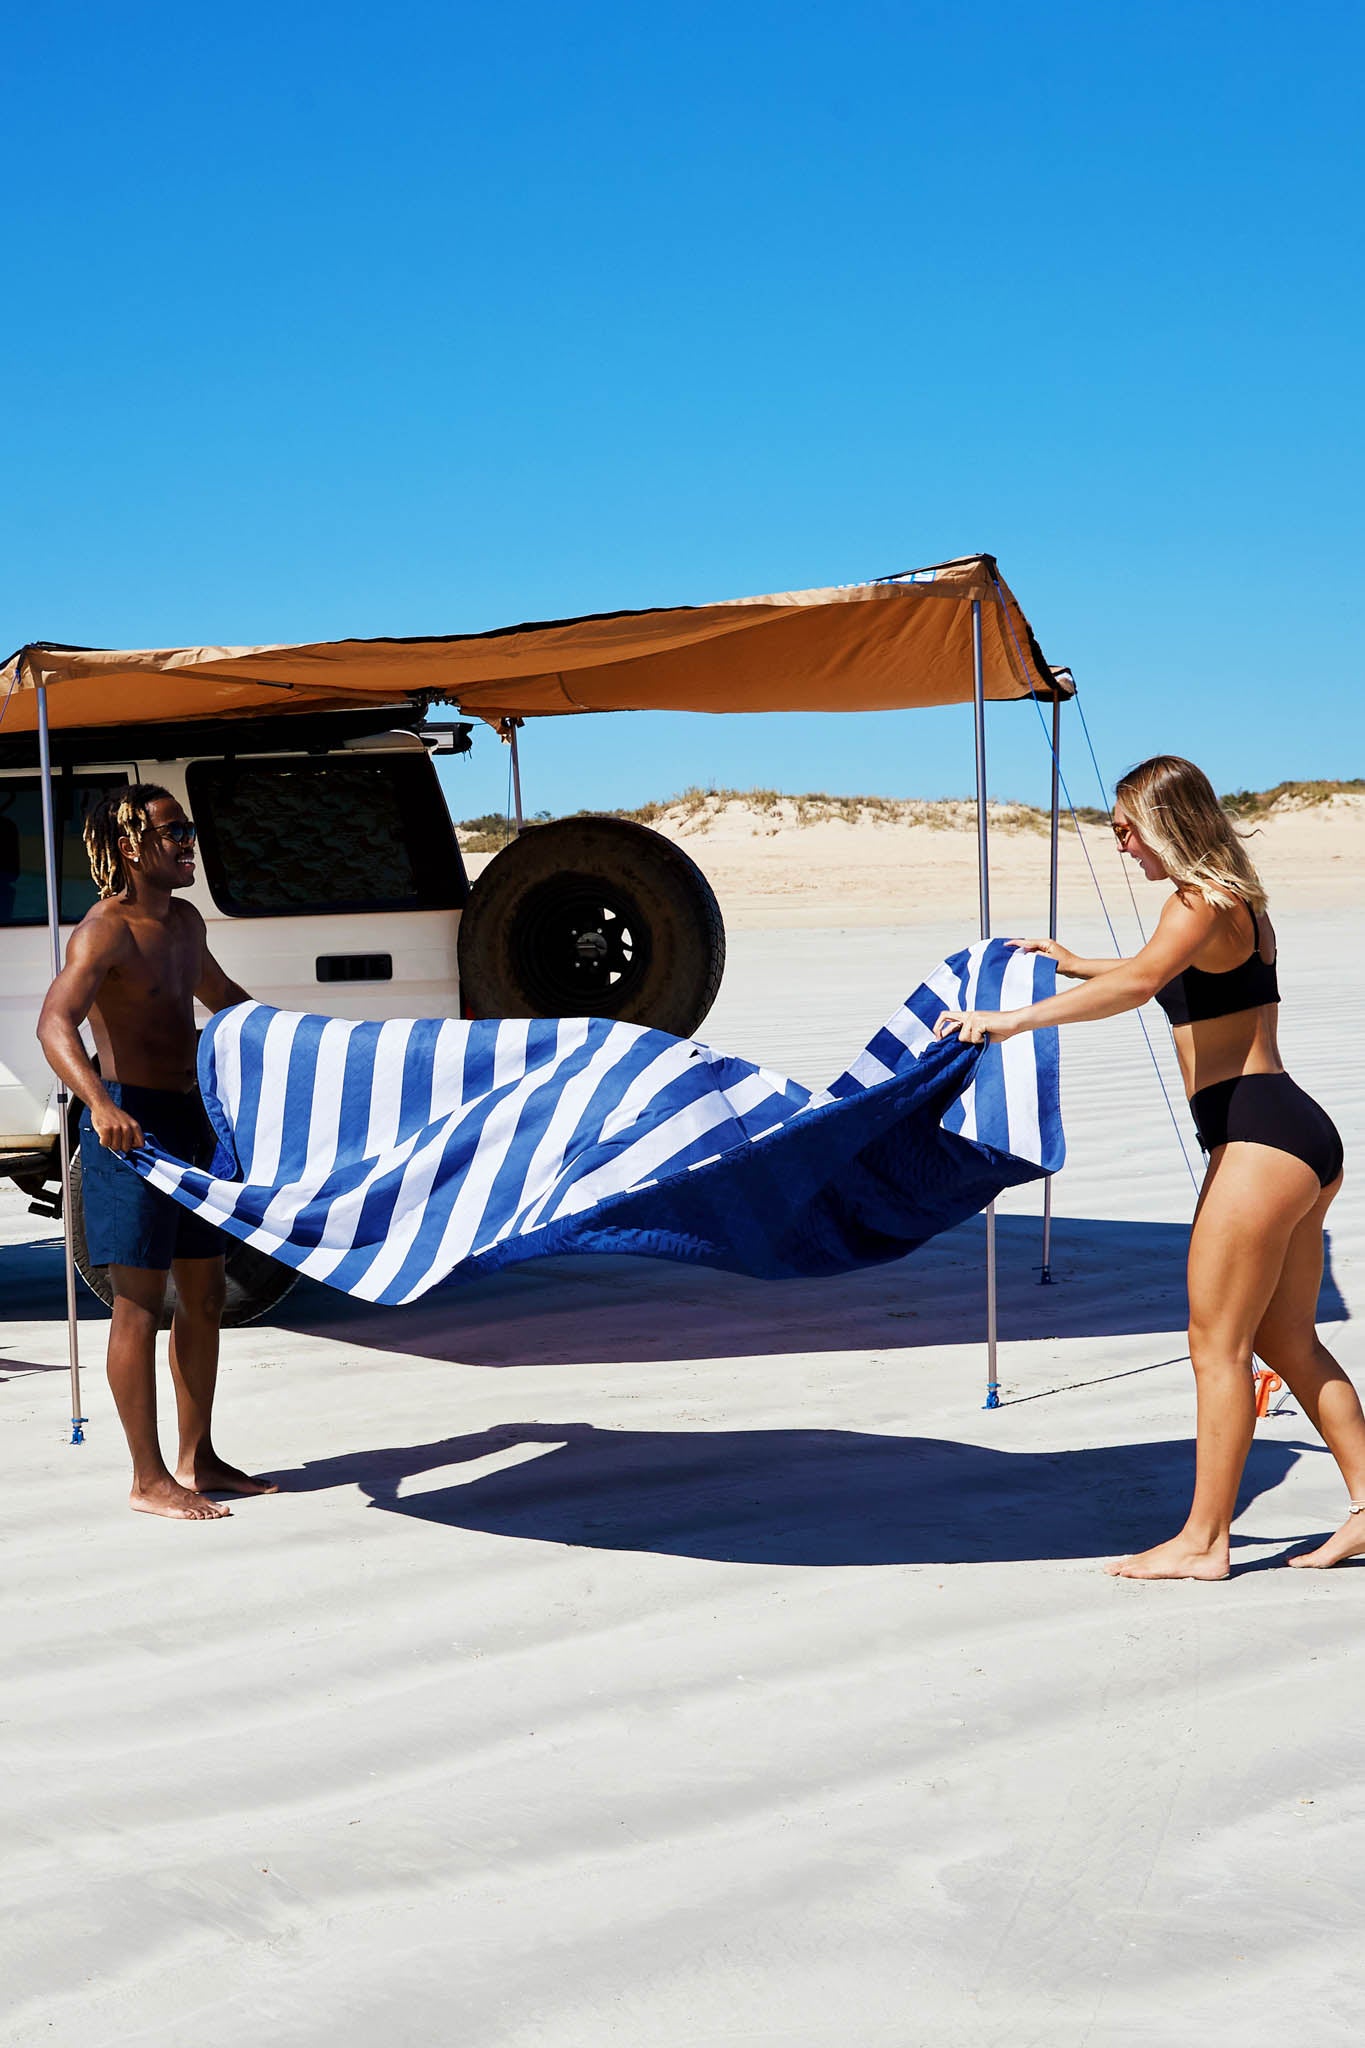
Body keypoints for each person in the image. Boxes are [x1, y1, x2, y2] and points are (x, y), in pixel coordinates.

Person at [934, 753, 1363, 1579]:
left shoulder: (1194, 901)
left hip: (1258, 1140)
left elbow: (1141, 984)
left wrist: (1007, 1021)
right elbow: (1163, 977)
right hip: (1294, 1132)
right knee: (1287, 1338)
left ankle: (1202, 1543)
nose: (1121, 845)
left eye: (1127, 830)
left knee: (1216, 1345)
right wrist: (1072, 958)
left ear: (1167, 822)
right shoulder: (1239, 904)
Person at [37, 783, 277, 1521]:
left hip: (190, 1120)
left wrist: (297, 1042)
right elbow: (55, 1024)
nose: (188, 842)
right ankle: (147, 1479)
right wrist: (102, 1105)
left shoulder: (184, 922)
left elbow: (225, 997)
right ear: (130, 845)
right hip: (130, 1130)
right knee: (140, 1305)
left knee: (204, 1296)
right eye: (174, 831)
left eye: (189, 829)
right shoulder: (103, 931)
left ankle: (197, 1457)